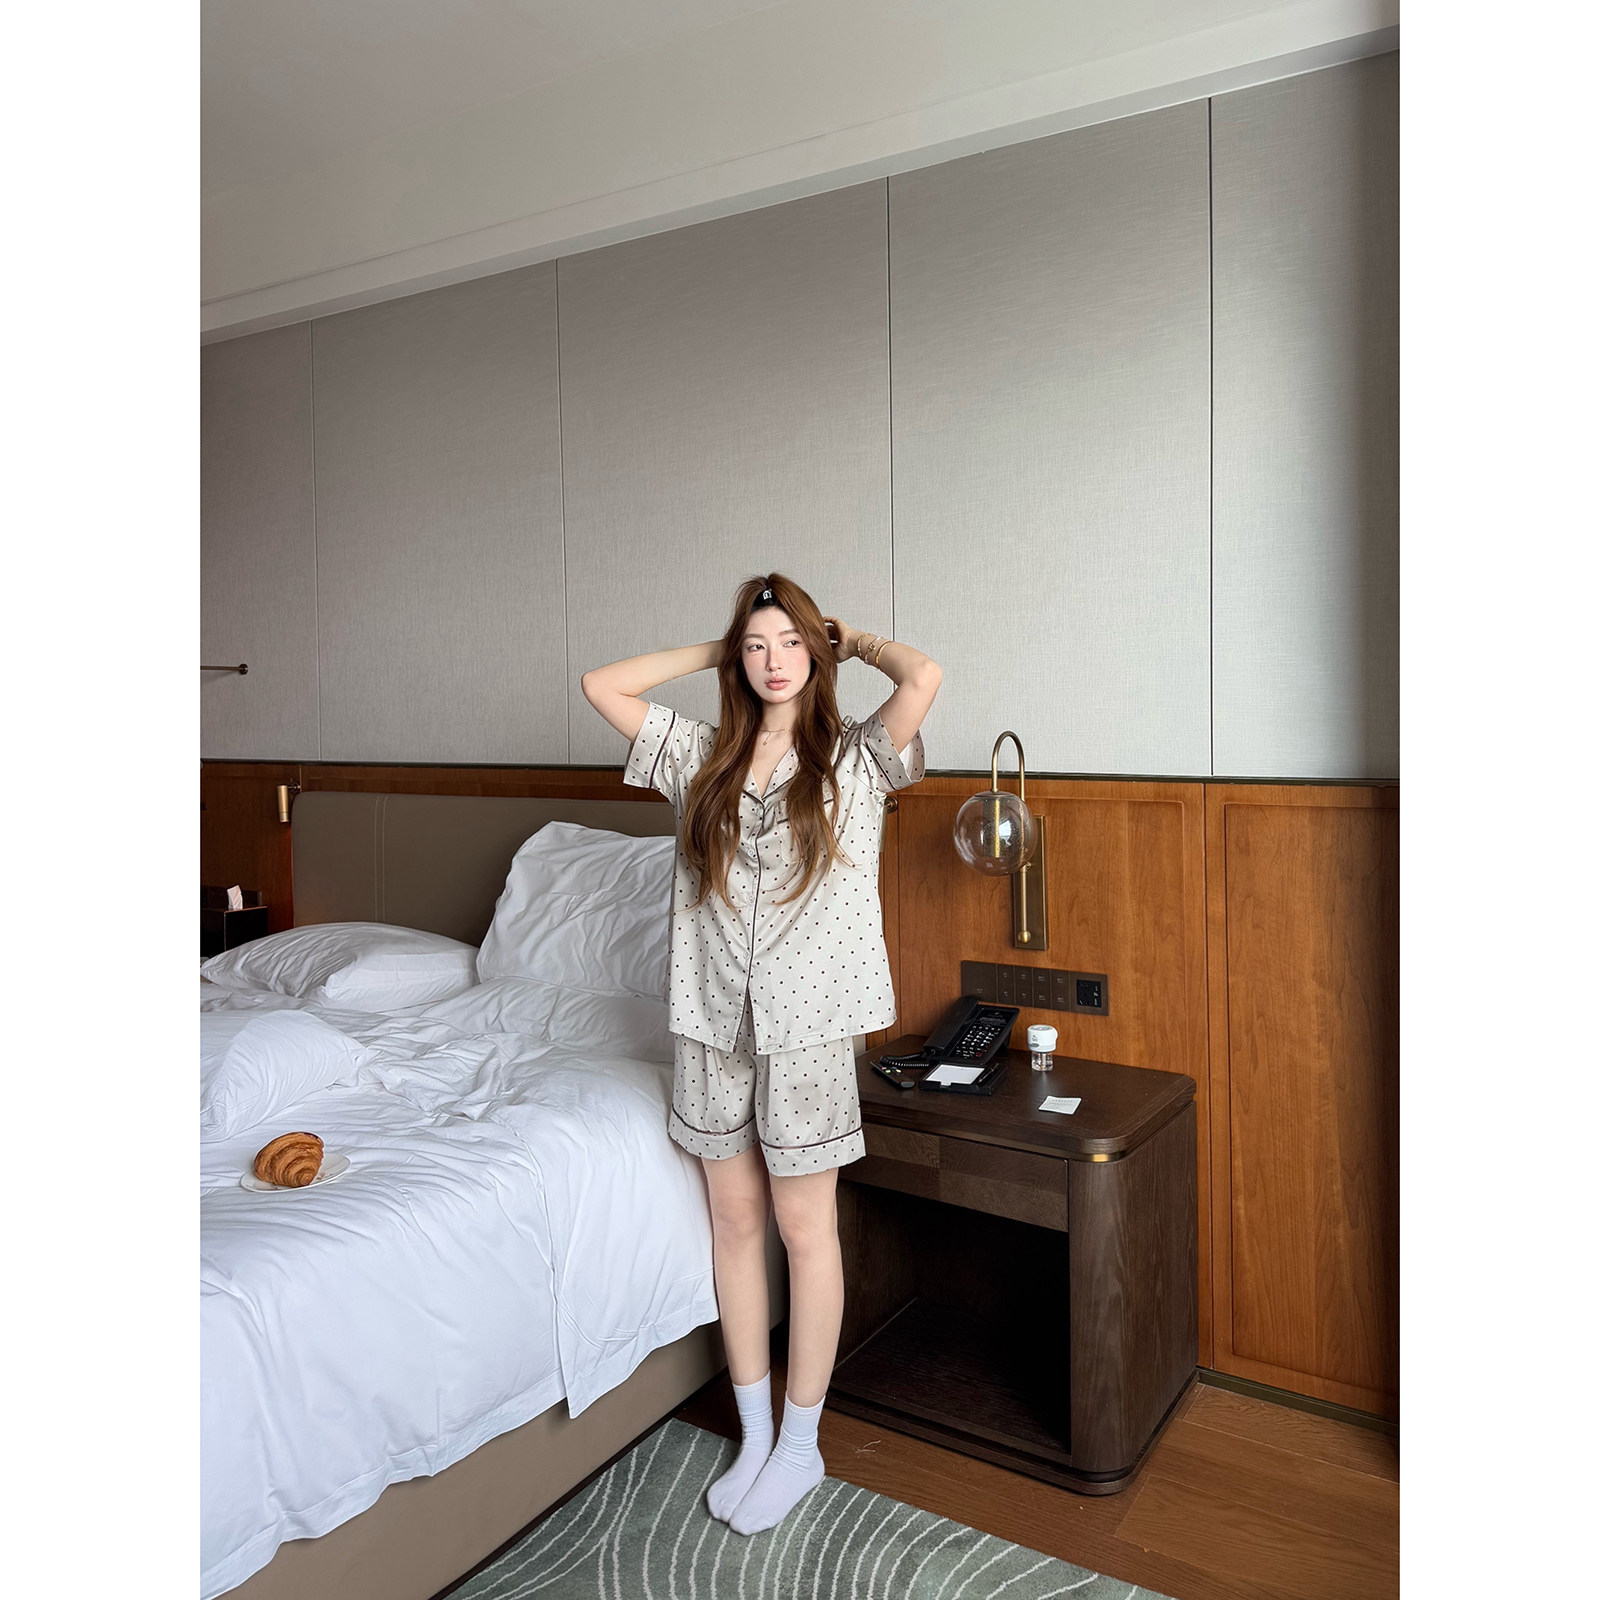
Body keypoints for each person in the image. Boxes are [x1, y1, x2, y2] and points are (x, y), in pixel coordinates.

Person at [580, 573, 942, 1535]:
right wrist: (722, 645)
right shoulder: (701, 756)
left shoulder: (858, 759)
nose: (774, 662)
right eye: (757, 647)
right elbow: (602, 685)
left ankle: (800, 1443)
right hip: (710, 1022)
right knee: (734, 1224)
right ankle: (753, 1433)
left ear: (815, 653)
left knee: (804, 1228)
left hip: (809, 1027)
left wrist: (846, 638)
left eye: (789, 645)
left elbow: (923, 676)